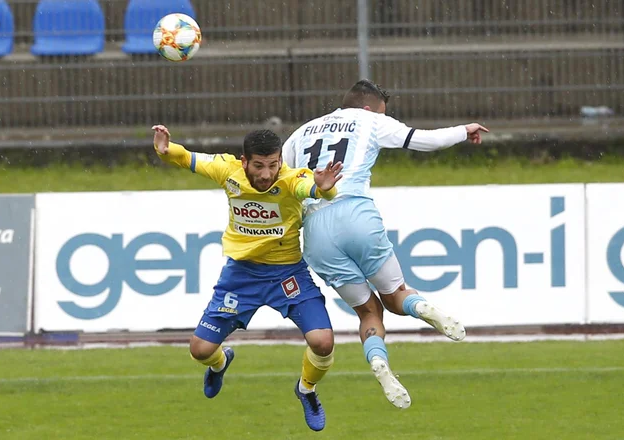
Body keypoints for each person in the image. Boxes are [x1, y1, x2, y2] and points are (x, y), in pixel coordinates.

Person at [282, 79, 490, 409]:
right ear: (368, 107)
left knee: (369, 311)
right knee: (396, 296)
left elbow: (281, 186)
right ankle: (421, 307)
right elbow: (425, 140)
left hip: (316, 228)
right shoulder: (370, 120)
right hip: (356, 213)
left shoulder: (300, 133)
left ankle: (378, 362)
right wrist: (464, 130)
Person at [152, 125, 343, 432]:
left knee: (323, 342)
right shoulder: (228, 172)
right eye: (259, 166)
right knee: (200, 351)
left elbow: (315, 188)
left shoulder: (292, 179)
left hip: (287, 274)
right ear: (244, 162)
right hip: (241, 275)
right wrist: (165, 150)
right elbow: (188, 159)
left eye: (273, 164)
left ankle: (306, 389)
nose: (267, 174)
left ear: (280, 160)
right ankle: (220, 362)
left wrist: (324, 188)